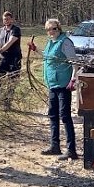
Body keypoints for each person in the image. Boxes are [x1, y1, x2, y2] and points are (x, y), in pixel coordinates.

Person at [28, 18, 79, 161]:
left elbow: (74, 62)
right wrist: (35, 49)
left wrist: (73, 79)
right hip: (52, 84)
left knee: (65, 116)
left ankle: (71, 150)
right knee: (53, 115)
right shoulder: (51, 42)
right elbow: (47, 56)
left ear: (59, 29)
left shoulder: (65, 42)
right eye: (48, 29)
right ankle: (54, 146)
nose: (51, 32)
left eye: (54, 29)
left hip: (63, 84)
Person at [0, 11, 22, 110]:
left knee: (12, 82)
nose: (6, 20)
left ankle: (7, 104)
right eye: (4, 19)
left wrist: (0, 50)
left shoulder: (16, 30)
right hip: (3, 58)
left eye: (8, 19)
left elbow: (10, 42)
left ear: (12, 19)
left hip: (14, 58)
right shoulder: (0, 30)